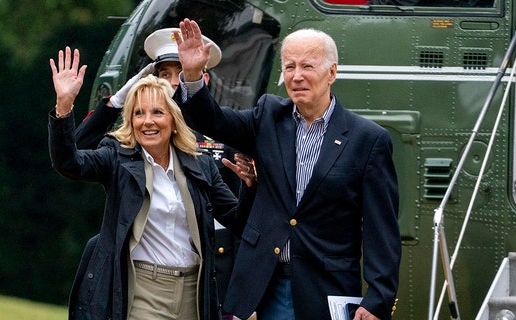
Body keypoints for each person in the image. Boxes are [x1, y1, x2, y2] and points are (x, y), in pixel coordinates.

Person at [172, 19, 401, 320]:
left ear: (332, 72)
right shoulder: (267, 116)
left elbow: (380, 228)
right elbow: (213, 120)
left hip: (325, 288)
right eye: (289, 66)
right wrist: (191, 74)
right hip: (263, 282)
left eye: (308, 66)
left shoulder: (367, 140)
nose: (297, 76)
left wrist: (378, 298)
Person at [48, 46, 253, 320]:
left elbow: (238, 220)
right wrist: (64, 106)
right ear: (130, 120)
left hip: (196, 293)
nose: (147, 122)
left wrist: (251, 187)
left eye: (157, 112)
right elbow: (70, 162)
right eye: (138, 113)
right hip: (142, 290)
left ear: (173, 119)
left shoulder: (200, 162)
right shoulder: (117, 156)